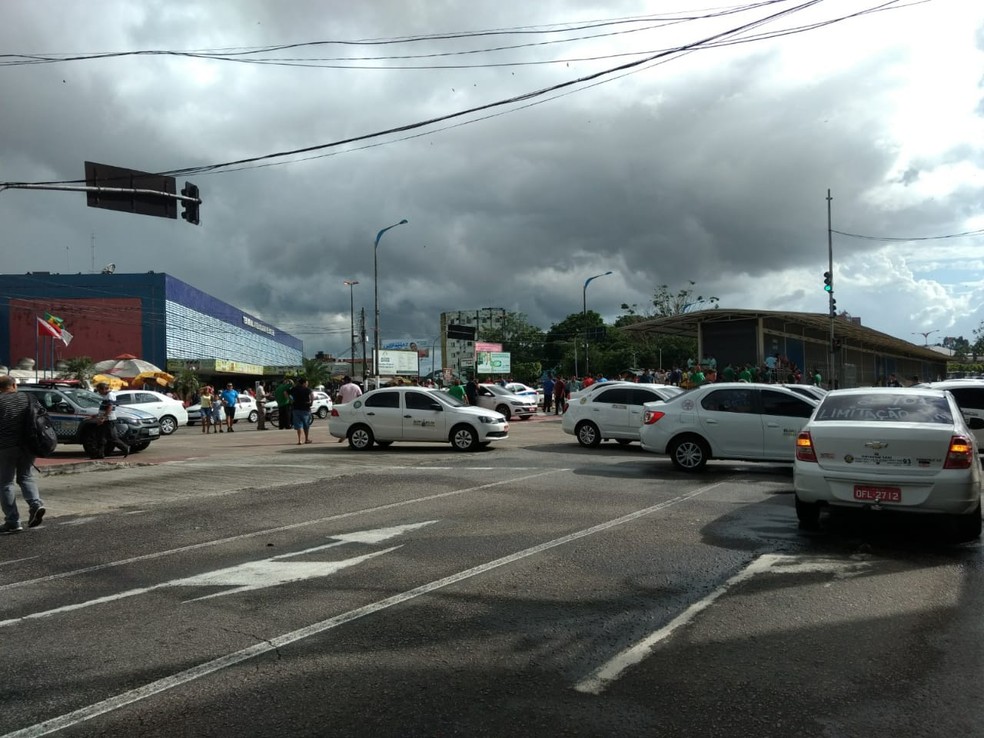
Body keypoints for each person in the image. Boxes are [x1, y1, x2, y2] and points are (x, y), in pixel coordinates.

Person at [0, 375, 45, 533]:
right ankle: (35, 503)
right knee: (26, 476)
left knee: (5, 483)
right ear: (14, 384)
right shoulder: (28, 397)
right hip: (29, 445)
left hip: (5, 447)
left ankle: (13, 521)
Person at [94, 381, 129, 458]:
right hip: (104, 419)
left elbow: (109, 407)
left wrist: (103, 417)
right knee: (101, 437)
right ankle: (100, 454)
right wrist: (96, 416)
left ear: (104, 389)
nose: (99, 392)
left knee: (112, 437)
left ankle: (125, 448)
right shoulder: (105, 396)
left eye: (99, 390)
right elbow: (103, 408)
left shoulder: (110, 395)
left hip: (109, 420)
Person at [290, 377, 315, 445]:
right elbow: (312, 395)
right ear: (304, 383)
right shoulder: (307, 389)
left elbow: (286, 393)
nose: (307, 384)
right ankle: (306, 439)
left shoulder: (294, 388)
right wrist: (311, 402)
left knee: (298, 425)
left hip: (296, 409)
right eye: (306, 383)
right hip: (305, 409)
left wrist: (291, 400)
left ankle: (299, 440)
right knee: (306, 425)